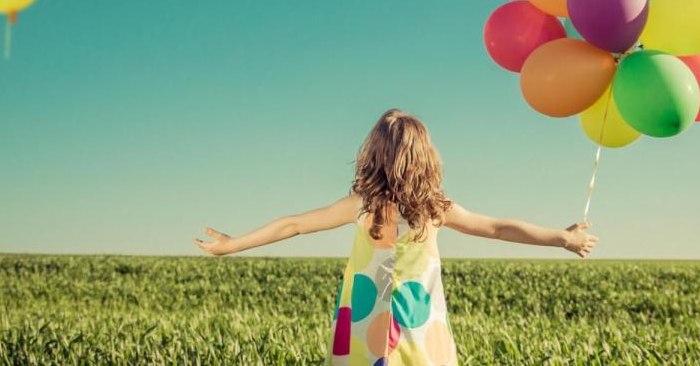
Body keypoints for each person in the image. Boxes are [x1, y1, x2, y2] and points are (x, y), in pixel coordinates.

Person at [194, 109, 598, 365]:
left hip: (364, 330)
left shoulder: (361, 205)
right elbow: (497, 227)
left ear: (373, 156)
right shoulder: (434, 209)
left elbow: (293, 224)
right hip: (420, 331)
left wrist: (232, 245)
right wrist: (561, 238)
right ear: (425, 158)